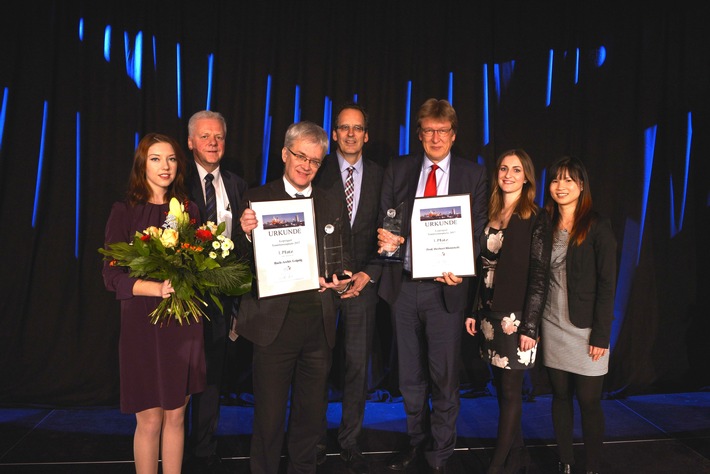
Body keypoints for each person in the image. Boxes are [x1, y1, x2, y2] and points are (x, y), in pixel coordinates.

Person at [377, 98, 488, 473]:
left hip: (447, 289)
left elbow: (476, 234)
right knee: (410, 377)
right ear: (419, 134)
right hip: (405, 287)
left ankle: (440, 454)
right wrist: (388, 238)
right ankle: (415, 443)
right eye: (428, 130)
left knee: (444, 377)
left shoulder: (473, 175)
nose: (435, 137)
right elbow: (387, 219)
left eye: (442, 131)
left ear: (453, 136)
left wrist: (462, 265)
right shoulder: (400, 169)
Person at [235, 121, 352, 474]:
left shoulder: (331, 200)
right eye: (300, 156)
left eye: (315, 160)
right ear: (285, 154)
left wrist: (341, 282)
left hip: (318, 326)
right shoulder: (258, 198)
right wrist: (244, 235)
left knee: (310, 419)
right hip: (273, 328)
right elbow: (238, 267)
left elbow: (344, 259)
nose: (306, 165)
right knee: (269, 419)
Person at [102, 133, 206, 474]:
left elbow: (198, 264)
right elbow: (111, 277)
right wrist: (154, 287)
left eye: (172, 159)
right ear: (142, 165)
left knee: (177, 415)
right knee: (149, 419)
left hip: (183, 323)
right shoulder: (124, 212)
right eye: (156, 159)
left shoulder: (189, 210)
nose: (166, 166)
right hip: (142, 324)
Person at [464, 149, 551, 474]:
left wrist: (531, 326)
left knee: (512, 390)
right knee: (501, 387)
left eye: (516, 170)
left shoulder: (536, 217)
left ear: (527, 176)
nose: (509, 175)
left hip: (516, 319)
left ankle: (496, 465)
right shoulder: (491, 212)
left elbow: (540, 275)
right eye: (503, 168)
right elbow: (480, 266)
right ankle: (518, 457)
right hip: (489, 314)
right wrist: (474, 310)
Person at [312, 102, 384, 474]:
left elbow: (387, 234)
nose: (351, 134)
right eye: (344, 128)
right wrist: (320, 276)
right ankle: (314, 440)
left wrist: (368, 274)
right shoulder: (315, 171)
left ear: (366, 135)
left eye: (358, 128)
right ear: (335, 134)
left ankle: (350, 440)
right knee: (318, 366)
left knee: (357, 367)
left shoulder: (380, 176)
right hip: (322, 287)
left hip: (361, 287)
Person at [541, 156, 617, 474]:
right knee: (560, 396)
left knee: (588, 401)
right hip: (551, 324)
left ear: (581, 186)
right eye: (557, 179)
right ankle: (566, 462)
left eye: (569, 180)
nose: (561, 186)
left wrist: (601, 334)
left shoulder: (597, 225)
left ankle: (593, 466)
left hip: (586, 329)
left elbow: (607, 282)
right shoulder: (542, 223)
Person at [184, 110, 249, 474]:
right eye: (205, 137)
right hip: (182, 296)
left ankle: (204, 450)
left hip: (222, 299)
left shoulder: (237, 186)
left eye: (219, 137)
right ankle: (174, 444)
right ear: (191, 142)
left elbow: (242, 242)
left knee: (212, 377)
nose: (213, 143)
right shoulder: (177, 183)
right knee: (181, 376)